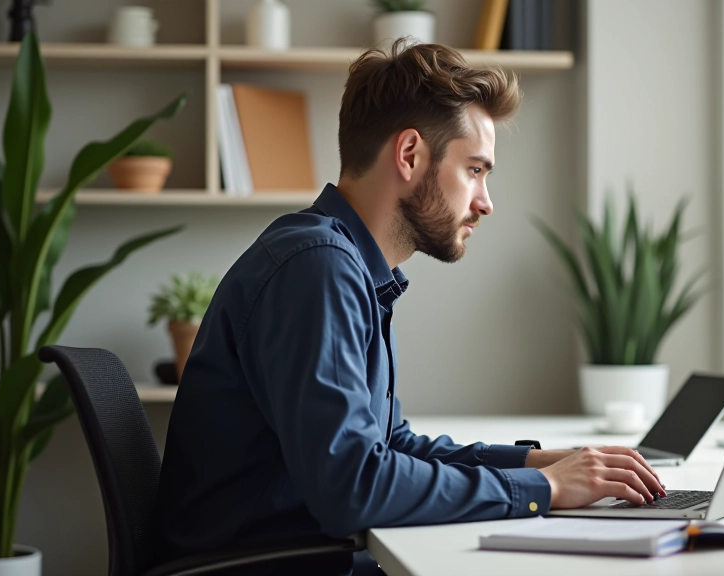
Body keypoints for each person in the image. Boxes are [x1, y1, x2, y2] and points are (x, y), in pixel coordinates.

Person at [154, 40, 666, 576]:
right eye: (475, 170)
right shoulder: (318, 267)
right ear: (409, 155)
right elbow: (353, 488)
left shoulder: (345, 265)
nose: (486, 201)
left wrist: (540, 464)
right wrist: (546, 489)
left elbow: (391, 446)